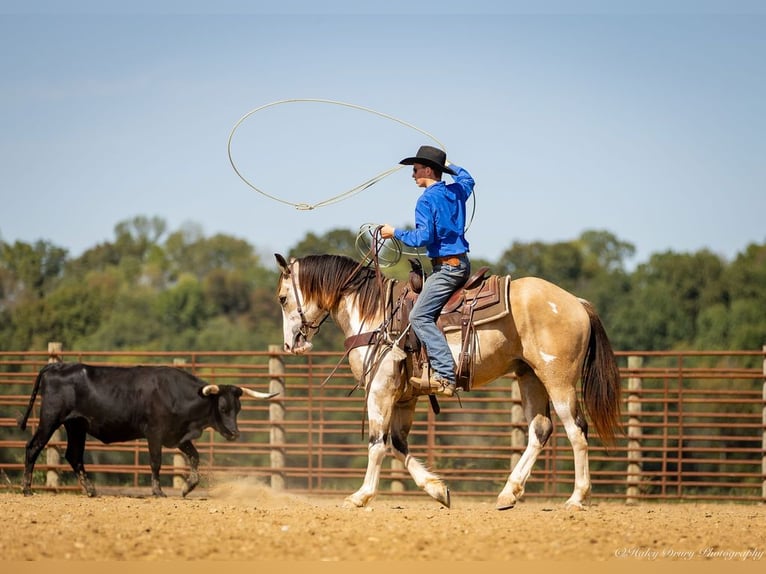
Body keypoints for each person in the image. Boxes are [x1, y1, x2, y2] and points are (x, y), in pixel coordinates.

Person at [380, 145, 475, 397]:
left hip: (446, 269)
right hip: (462, 264)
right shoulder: (456, 191)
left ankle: (445, 375)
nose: (412, 175)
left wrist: (394, 233)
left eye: (415, 169)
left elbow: (423, 237)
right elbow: (468, 178)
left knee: (418, 316)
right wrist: (450, 165)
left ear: (428, 170)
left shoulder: (426, 200)